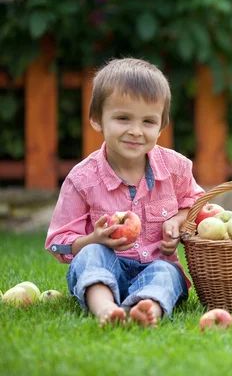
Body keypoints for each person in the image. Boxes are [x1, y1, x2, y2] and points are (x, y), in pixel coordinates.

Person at [45, 58, 204, 328]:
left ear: (161, 126)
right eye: (123, 118)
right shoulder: (82, 180)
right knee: (91, 256)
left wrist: (177, 221)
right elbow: (58, 242)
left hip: (155, 265)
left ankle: (147, 307)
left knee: (167, 272)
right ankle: (105, 307)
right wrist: (94, 239)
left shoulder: (176, 169)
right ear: (97, 120)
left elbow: (200, 204)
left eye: (148, 121)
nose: (135, 131)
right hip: (106, 268)